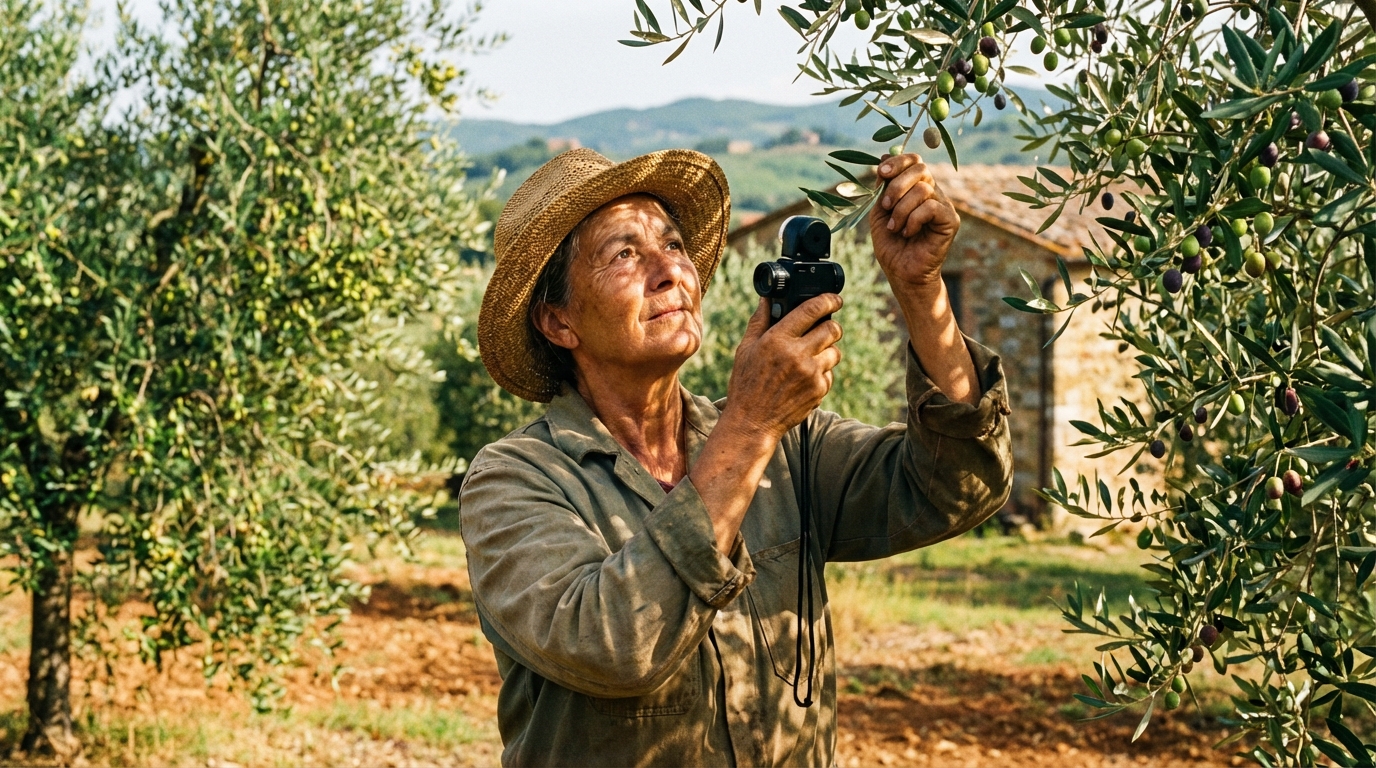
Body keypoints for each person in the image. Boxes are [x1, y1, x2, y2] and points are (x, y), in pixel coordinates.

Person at [459, 147, 1013, 767]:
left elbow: (956, 488)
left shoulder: (791, 447)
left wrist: (922, 292)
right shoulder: (515, 481)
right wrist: (751, 424)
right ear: (559, 321)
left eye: (673, 247)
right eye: (624, 254)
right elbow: (615, 644)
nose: (669, 271)